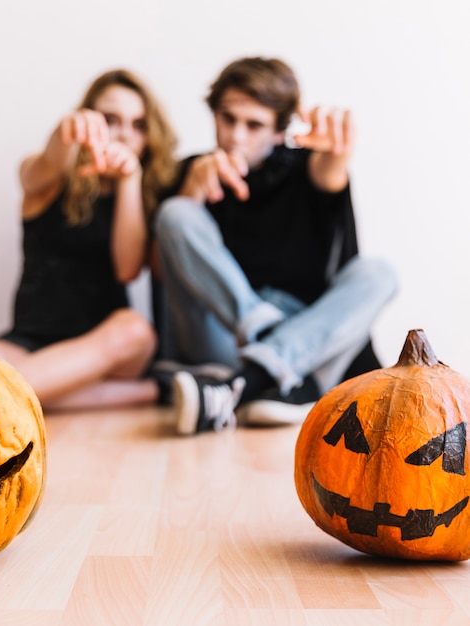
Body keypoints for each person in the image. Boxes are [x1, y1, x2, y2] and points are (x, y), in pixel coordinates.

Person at [154, 56, 397, 434]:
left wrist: (337, 152)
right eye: (228, 119)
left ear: (280, 131)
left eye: (254, 125)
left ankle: (244, 384)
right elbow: (157, 273)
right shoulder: (192, 171)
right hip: (224, 339)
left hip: (301, 330)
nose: (236, 136)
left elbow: (329, 172)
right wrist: (191, 193)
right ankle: (279, 371)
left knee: (379, 273)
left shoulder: (306, 168)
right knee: (176, 213)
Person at [0, 69, 178, 411]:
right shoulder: (49, 180)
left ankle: (4, 396)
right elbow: (42, 166)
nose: (124, 134)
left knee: (136, 330)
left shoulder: (142, 196)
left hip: (111, 346)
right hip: (31, 341)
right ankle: (147, 392)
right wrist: (65, 132)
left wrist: (129, 179)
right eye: (111, 119)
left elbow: (128, 270)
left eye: (138, 124)